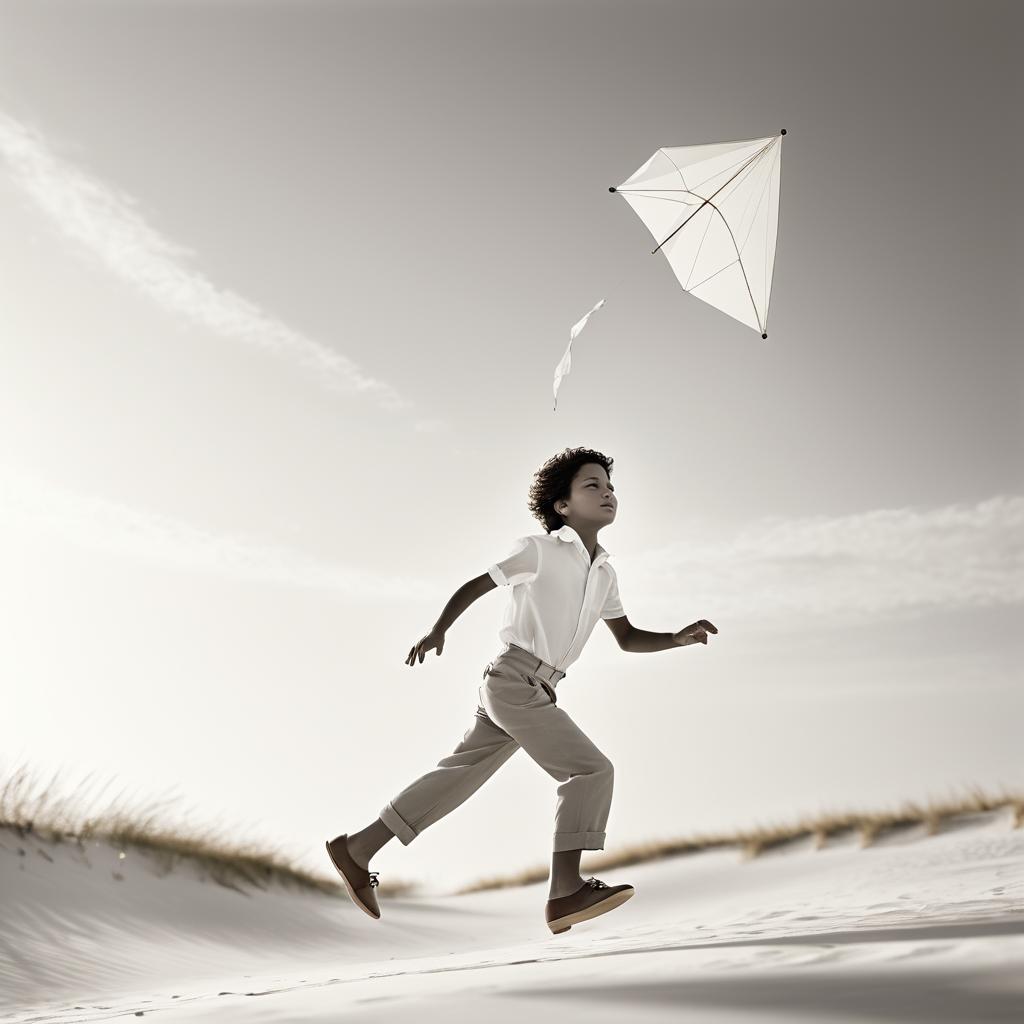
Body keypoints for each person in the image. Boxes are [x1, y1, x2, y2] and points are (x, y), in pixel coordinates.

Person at [326, 447, 717, 934]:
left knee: (457, 776)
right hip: (513, 680)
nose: (607, 493)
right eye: (592, 485)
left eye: (610, 486)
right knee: (590, 770)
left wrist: (675, 639)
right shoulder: (539, 549)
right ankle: (564, 892)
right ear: (563, 506)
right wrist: (438, 629)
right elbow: (477, 584)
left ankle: (358, 848)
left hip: (536, 689)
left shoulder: (605, 575)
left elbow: (627, 638)